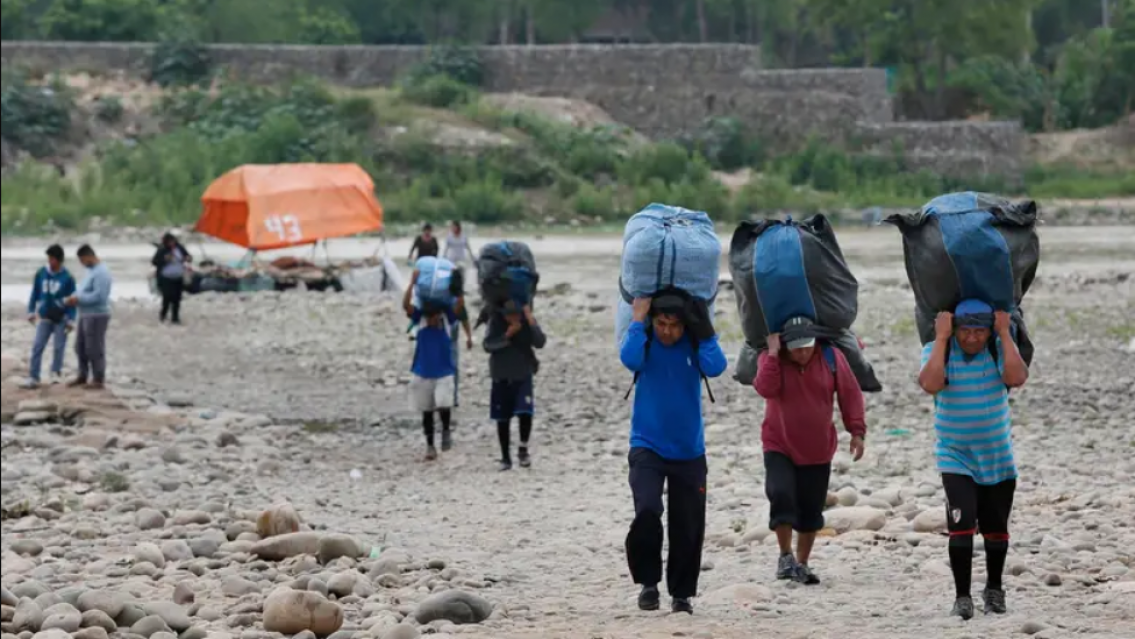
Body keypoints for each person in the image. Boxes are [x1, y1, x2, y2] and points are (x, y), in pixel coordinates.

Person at [918, 299, 1029, 620]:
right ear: (955, 329)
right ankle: (962, 596)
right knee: (961, 525)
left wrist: (1005, 334)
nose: (971, 338)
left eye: (979, 331)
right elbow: (930, 384)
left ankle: (994, 588)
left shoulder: (996, 349)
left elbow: (1018, 377)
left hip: (997, 458)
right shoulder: (940, 349)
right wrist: (940, 338)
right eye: (965, 331)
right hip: (955, 457)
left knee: (996, 530)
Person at [619, 294, 727, 615]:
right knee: (647, 511)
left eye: (674, 326)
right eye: (661, 324)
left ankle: (682, 595)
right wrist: (638, 320)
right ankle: (648, 583)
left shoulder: (694, 344)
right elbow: (629, 359)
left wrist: (705, 331)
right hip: (646, 445)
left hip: (689, 450)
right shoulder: (645, 341)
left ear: (685, 325)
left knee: (688, 524)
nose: (667, 331)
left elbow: (717, 366)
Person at [754, 316, 867, 585]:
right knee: (779, 494)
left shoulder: (831, 357)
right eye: (796, 348)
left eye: (807, 346)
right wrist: (771, 353)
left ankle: (802, 564)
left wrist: (857, 431)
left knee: (811, 510)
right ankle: (785, 556)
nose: (802, 353)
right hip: (778, 442)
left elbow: (850, 394)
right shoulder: (773, 358)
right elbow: (765, 388)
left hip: (818, 449)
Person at [484, 301, 546, 471]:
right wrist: (507, 335)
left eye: (516, 314)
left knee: (526, 412)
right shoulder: (495, 323)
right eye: (510, 315)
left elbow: (540, 342)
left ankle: (523, 449)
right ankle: (505, 457)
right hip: (501, 375)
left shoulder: (527, 323)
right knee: (502, 418)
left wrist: (531, 319)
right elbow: (488, 345)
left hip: (522, 373)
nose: (514, 318)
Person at [407, 301, 473, 461]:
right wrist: (413, 283)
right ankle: (430, 445)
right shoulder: (420, 322)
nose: (431, 319)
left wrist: (457, 292)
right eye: (429, 317)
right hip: (423, 372)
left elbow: (458, 307)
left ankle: (445, 430)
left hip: (444, 372)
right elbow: (406, 306)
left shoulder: (447, 324)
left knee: (444, 403)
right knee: (427, 411)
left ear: (439, 315)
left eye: (434, 316)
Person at [21, 244, 77, 389]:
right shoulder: (41, 273)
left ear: (59, 260)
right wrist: (31, 311)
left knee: (59, 347)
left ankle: (55, 374)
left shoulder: (68, 277)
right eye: (49, 258)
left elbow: (72, 300)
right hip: (45, 316)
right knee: (38, 346)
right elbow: (34, 293)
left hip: (62, 317)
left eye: (52, 259)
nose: (50, 261)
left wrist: (71, 319)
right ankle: (34, 376)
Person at [63, 245, 113, 390]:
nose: (82, 263)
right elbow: (83, 291)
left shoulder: (102, 273)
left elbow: (100, 296)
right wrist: (74, 297)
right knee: (80, 347)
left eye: (82, 260)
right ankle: (82, 375)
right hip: (85, 314)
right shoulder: (90, 272)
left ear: (89, 256)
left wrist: (78, 300)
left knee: (94, 348)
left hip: (97, 315)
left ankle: (98, 378)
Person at [152, 232, 192, 325]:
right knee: (167, 297)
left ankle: (175, 317)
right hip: (165, 278)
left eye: (173, 241)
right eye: (170, 242)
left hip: (178, 277)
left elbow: (188, 257)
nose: (172, 243)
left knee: (177, 298)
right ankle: (163, 315)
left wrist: (188, 258)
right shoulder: (162, 249)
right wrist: (165, 259)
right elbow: (154, 262)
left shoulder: (180, 248)